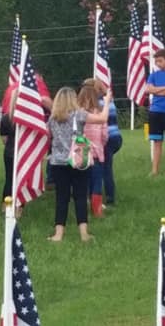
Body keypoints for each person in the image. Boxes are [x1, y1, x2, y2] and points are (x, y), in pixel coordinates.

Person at [47, 86, 110, 242]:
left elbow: (49, 137)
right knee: (80, 197)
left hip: (58, 162)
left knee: (61, 198)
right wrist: (107, 102)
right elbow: (102, 118)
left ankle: (58, 234)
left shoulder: (52, 118)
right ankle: (84, 233)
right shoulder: (79, 115)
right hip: (78, 160)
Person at [83, 78, 122, 206]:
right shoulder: (109, 102)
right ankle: (109, 195)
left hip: (103, 139)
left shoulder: (95, 106)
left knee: (101, 170)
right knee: (107, 168)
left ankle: (102, 198)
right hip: (116, 137)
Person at [78, 82, 109, 218]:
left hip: (82, 153)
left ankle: (82, 206)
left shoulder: (78, 114)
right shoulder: (100, 114)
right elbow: (104, 136)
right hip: (96, 153)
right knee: (96, 182)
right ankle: (97, 209)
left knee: (82, 182)